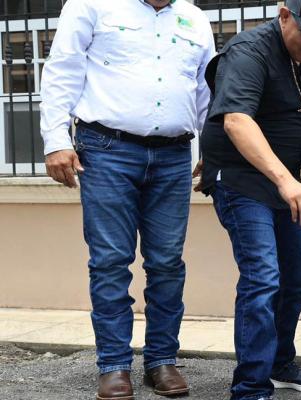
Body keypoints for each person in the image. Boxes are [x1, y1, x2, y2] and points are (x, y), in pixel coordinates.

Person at [39, 0, 214, 398]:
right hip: (106, 149)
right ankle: (114, 365)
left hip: (173, 154)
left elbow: (205, 89)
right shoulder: (90, 4)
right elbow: (62, 70)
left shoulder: (194, 17)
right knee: (110, 261)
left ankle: (161, 361)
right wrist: (55, 140)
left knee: (168, 262)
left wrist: (214, 148)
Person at [197, 0, 301, 398]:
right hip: (243, 181)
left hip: (282, 182)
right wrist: (284, 179)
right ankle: (250, 386)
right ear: (284, 15)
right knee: (263, 276)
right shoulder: (249, 51)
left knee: (294, 277)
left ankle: (279, 362)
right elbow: (235, 118)